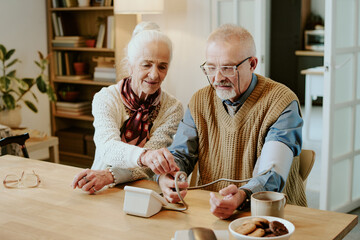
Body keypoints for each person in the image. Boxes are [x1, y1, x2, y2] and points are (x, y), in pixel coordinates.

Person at [157, 24, 305, 219]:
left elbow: (272, 173)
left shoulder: (282, 102)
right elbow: (181, 155)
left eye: (227, 68)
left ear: (252, 64)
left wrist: (241, 197)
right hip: (211, 210)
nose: (217, 78)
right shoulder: (199, 101)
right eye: (211, 68)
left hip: (273, 214)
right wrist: (167, 178)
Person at [72, 22, 183, 194]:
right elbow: (108, 147)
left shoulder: (173, 108)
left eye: (162, 66)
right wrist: (145, 156)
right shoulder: (106, 98)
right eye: (146, 64)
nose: (154, 75)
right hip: (100, 188)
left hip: (145, 191)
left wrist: (110, 176)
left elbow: (150, 168)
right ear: (130, 65)